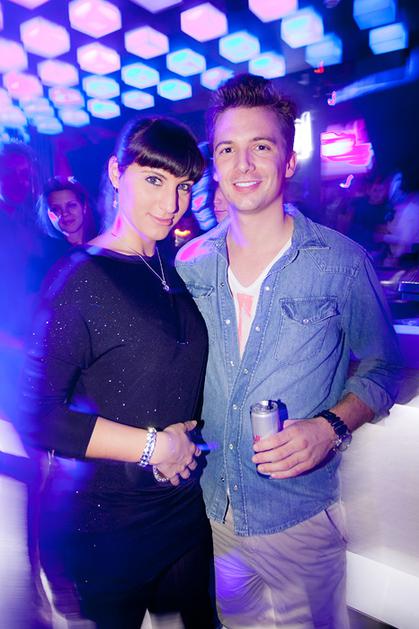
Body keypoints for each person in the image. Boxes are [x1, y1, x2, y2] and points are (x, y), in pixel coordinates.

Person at [176, 74, 401, 628]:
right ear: (214, 164)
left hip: (299, 515)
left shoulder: (341, 262)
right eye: (227, 149)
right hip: (213, 512)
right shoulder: (189, 264)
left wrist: (330, 427)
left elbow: (385, 366)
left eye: (261, 146)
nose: (243, 164)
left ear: (289, 160)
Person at [19, 116, 216, 628]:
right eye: (154, 179)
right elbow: (37, 415)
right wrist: (155, 447)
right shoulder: (81, 278)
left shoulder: (167, 266)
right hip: (109, 525)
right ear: (114, 173)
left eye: (183, 186)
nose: (171, 203)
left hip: (180, 509)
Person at [37, 175, 98, 247]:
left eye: (71, 205)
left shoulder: (104, 245)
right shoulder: (47, 251)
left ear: (84, 207)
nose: (65, 213)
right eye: (56, 209)